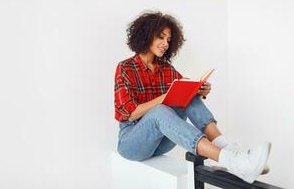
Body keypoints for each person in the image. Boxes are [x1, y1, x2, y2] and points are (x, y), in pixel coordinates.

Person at [114, 11, 271, 184]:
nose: (166, 43)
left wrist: (199, 90)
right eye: (161, 37)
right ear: (146, 35)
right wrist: (164, 98)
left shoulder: (166, 69)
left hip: (159, 143)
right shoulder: (125, 68)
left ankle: (228, 150)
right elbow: (130, 113)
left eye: (168, 40)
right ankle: (232, 161)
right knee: (159, 110)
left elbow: (183, 92)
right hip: (132, 143)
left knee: (188, 94)